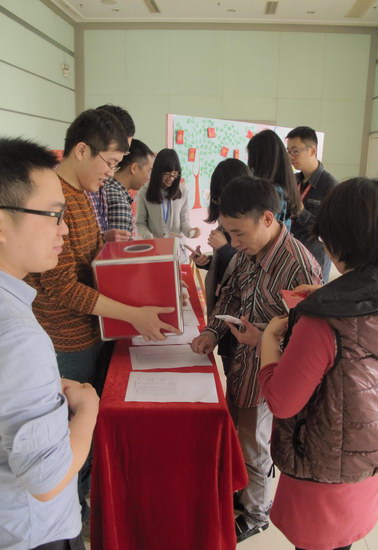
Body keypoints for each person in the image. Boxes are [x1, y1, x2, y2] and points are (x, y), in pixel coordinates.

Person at [24, 109, 179, 526]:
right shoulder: (54, 197)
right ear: (81, 150)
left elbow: (77, 262)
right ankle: (74, 515)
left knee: (88, 432)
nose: (112, 173)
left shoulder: (80, 192)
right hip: (65, 339)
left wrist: (105, 243)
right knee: (69, 437)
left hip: (86, 333)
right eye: (109, 163)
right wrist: (134, 315)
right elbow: (62, 287)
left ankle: (84, 505)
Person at [259, 177, 378, 550]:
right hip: (372, 455)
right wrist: (331, 293)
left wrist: (267, 342)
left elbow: (282, 401)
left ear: (339, 239)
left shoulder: (321, 323)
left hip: (325, 473)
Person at [191, 176, 322, 543]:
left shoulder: (299, 266)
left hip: (268, 374)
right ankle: (242, 492)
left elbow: (307, 336)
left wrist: (262, 337)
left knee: (254, 444)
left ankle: (256, 513)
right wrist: (212, 332)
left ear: (267, 218)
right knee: (239, 436)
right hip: (241, 365)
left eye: (238, 233)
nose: (233, 243)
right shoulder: (248, 252)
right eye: (228, 233)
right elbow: (230, 296)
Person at [0, 137, 100, 550]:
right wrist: (88, 409)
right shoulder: (18, 335)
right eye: (54, 215)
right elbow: (48, 479)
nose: (64, 229)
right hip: (33, 533)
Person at [190, 158, 251, 373]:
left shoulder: (248, 229)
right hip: (223, 312)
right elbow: (227, 274)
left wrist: (224, 248)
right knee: (228, 365)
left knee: (236, 368)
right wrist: (207, 262)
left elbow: (245, 270)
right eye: (216, 198)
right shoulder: (224, 226)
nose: (220, 204)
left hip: (241, 320)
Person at [286, 126, 338, 280]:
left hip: (315, 259)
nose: (291, 156)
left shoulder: (330, 186)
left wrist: (301, 212)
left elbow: (330, 231)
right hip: (291, 253)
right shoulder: (294, 180)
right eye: (288, 151)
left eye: (295, 151)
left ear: (312, 150)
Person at [136, 148, 200, 258]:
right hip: (155, 249)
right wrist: (151, 238)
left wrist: (190, 231)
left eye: (175, 174)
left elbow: (184, 219)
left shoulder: (182, 190)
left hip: (178, 249)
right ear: (157, 172)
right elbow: (140, 223)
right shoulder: (144, 192)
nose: (171, 178)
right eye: (167, 174)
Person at [87, 104, 136, 242]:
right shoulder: (57, 188)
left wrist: (103, 240)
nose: (111, 172)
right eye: (111, 160)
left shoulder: (101, 186)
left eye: (125, 152)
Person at [247, 129, 301, 230]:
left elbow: (262, 230)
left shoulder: (274, 191)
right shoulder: (284, 187)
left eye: (252, 157)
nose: (250, 163)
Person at [105, 138, 154, 239]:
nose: (149, 178)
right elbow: (120, 248)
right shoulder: (119, 202)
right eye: (148, 171)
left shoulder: (106, 187)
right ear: (134, 168)